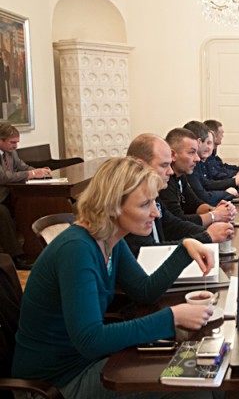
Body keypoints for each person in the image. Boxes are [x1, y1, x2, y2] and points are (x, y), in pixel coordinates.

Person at [12, 157, 218, 399]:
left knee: (204, 369)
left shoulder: (109, 238)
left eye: (154, 201)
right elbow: (91, 340)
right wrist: (172, 317)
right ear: (112, 207)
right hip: (57, 382)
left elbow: (145, 291)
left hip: (85, 362)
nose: (156, 212)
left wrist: (185, 248)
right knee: (192, 384)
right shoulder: (76, 249)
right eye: (145, 204)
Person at [125, 133, 233, 256]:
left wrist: (209, 232)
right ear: (140, 166)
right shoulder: (130, 200)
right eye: (164, 165)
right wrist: (207, 235)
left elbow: (173, 225)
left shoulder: (153, 195)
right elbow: (148, 252)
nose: (170, 171)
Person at [0, 122, 52, 270]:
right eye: (12, 142)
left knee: (30, 204)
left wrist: (40, 171)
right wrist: (32, 174)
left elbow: (22, 167)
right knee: (2, 213)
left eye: (17, 142)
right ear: (0, 140)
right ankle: (17, 256)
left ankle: (39, 248)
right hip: (2, 198)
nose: (16, 146)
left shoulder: (11, 153)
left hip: (9, 194)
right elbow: (3, 177)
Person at [160, 128, 236, 226]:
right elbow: (177, 221)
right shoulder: (165, 180)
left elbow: (194, 204)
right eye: (191, 153)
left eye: (196, 152)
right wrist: (214, 215)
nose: (197, 158)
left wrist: (215, 210)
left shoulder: (180, 175)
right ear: (173, 155)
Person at [183, 120, 237, 206]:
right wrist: (227, 192)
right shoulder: (188, 166)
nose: (209, 147)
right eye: (207, 142)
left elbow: (206, 184)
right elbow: (204, 197)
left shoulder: (195, 162)